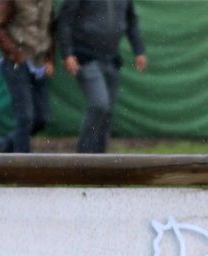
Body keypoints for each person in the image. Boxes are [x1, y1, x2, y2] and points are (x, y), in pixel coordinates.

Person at [56, 0, 146, 153]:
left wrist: (139, 50)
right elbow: (65, 21)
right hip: (85, 57)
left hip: (112, 58)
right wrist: (67, 54)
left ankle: (100, 160)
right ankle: (83, 157)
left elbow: (131, 21)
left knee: (108, 111)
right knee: (99, 104)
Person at [0, 0, 55, 153]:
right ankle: (22, 167)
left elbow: (50, 29)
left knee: (42, 118)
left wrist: (50, 60)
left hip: (39, 63)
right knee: (25, 117)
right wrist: (16, 54)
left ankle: (5, 145)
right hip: (16, 64)